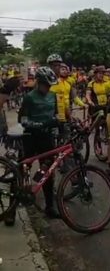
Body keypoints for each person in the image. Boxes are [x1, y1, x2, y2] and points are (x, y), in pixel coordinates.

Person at [6, 67, 60, 226]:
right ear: (39, 83)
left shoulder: (52, 96)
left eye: (50, 85)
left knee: (48, 172)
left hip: (47, 138)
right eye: (45, 85)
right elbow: (22, 119)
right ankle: (11, 211)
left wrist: (56, 124)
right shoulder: (29, 97)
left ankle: (50, 206)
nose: (48, 88)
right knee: (21, 171)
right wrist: (39, 124)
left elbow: (54, 115)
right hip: (30, 138)